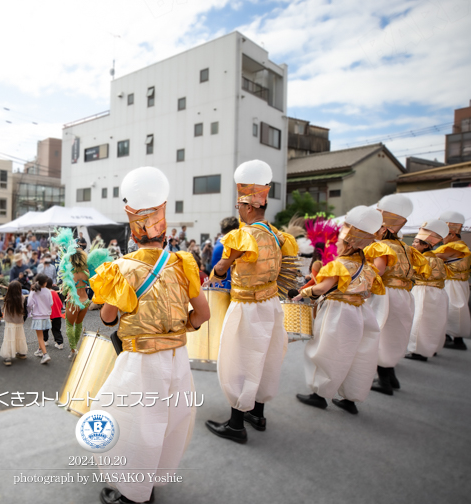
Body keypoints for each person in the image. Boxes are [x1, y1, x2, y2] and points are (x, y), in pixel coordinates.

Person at [90, 167, 209, 504]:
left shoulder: (121, 268)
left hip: (139, 361)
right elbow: (203, 314)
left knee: (132, 426)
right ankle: (149, 484)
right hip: (177, 359)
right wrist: (179, 328)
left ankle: (133, 496)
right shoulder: (183, 263)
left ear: (134, 230)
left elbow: (108, 317)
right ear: (163, 224)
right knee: (167, 422)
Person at [206, 160, 298, 444]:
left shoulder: (241, 235)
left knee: (240, 360)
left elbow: (220, 270)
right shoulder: (279, 236)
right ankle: (257, 413)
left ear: (247, 206)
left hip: (246, 306)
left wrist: (224, 264)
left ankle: (236, 424)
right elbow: (288, 271)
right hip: (270, 303)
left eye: (239, 207)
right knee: (266, 356)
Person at [294, 206, 385, 414]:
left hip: (338, 311)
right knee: (357, 353)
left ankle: (319, 395)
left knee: (328, 350)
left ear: (348, 243)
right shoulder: (368, 267)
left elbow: (322, 288)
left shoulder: (340, 264)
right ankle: (350, 398)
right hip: (361, 312)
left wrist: (302, 294)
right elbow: (368, 292)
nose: (335, 242)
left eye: (339, 240)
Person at [365, 194, 429, 395]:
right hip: (404, 295)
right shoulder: (407, 248)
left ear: (383, 228)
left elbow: (379, 270)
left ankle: (384, 381)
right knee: (394, 334)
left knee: (380, 332)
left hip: (386, 294)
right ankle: (391, 377)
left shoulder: (381, 246)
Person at [405, 219, 450, 361]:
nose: (413, 244)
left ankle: (418, 350)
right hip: (439, 292)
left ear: (425, 245)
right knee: (434, 321)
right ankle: (431, 348)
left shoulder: (423, 260)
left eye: (416, 242)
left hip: (424, 291)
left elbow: (411, 273)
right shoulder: (437, 259)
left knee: (420, 319)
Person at [434, 211, 471, 350]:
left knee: (450, 308)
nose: (441, 239)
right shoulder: (462, 246)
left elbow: (431, 257)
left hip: (452, 282)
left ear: (452, 234)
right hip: (458, 282)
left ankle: (447, 337)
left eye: (444, 235)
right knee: (457, 309)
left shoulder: (454, 247)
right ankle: (456, 340)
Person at [0, 280, 28, 366]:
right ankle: (21, 352)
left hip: (9, 322)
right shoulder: (23, 298)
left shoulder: (6, 298)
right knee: (19, 336)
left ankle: (7, 357)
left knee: (9, 338)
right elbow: (25, 311)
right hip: (19, 321)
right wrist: (23, 320)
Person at [27, 273, 53, 365]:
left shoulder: (34, 291)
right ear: (45, 283)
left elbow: (29, 303)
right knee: (41, 335)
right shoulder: (48, 291)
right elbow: (51, 303)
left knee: (40, 337)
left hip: (37, 316)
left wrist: (29, 312)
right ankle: (39, 350)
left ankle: (45, 354)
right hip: (46, 315)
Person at [43, 276, 64, 350]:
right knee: (56, 329)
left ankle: (45, 341)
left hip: (47, 315)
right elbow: (60, 304)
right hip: (57, 314)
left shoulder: (44, 294)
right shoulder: (55, 292)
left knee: (44, 329)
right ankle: (59, 343)